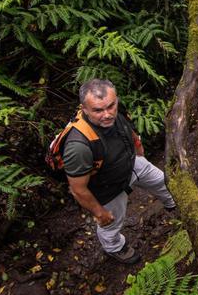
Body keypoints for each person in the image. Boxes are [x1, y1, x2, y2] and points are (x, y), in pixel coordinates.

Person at [63, 78, 176, 264]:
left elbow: (127, 127)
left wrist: (138, 147)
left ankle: (173, 203)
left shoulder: (116, 110)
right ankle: (115, 247)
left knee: (163, 182)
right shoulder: (78, 146)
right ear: (84, 109)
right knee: (111, 223)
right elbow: (77, 189)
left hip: (132, 163)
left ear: (116, 100)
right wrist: (99, 212)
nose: (107, 114)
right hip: (106, 187)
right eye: (98, 110)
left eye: (111, 106)